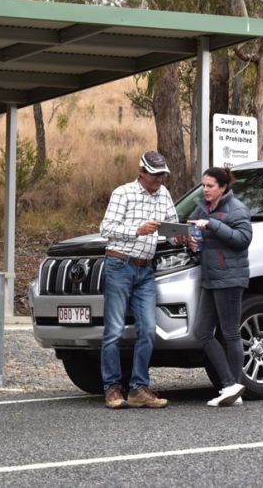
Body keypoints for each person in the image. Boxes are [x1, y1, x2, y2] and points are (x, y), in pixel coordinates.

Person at [98, 150, 182, 409]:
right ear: (141, 172)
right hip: (119, 265)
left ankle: (138, 388)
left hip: (145, 270)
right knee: (113, 330)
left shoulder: (164, 194)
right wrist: (136, 230)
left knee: (148, 329)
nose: (160, 180)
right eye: (155, 175)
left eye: (162, 175)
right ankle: (112, 388)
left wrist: (180, 237)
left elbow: (171, 227)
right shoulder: (123, 193)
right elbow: (106, 228)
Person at [189, 166, 253, 408]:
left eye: (210, 186)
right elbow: (197, 234)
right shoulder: (201, 208)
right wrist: (191, 240)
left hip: (230, 278)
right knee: (202, 332)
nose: (205, 190)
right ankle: (231, 386)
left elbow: (242, 240)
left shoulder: (237, 209)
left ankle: (231, 385)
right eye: (203, 185)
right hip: (210, 277)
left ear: (223, 187)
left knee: (230, 332)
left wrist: (212, 226)